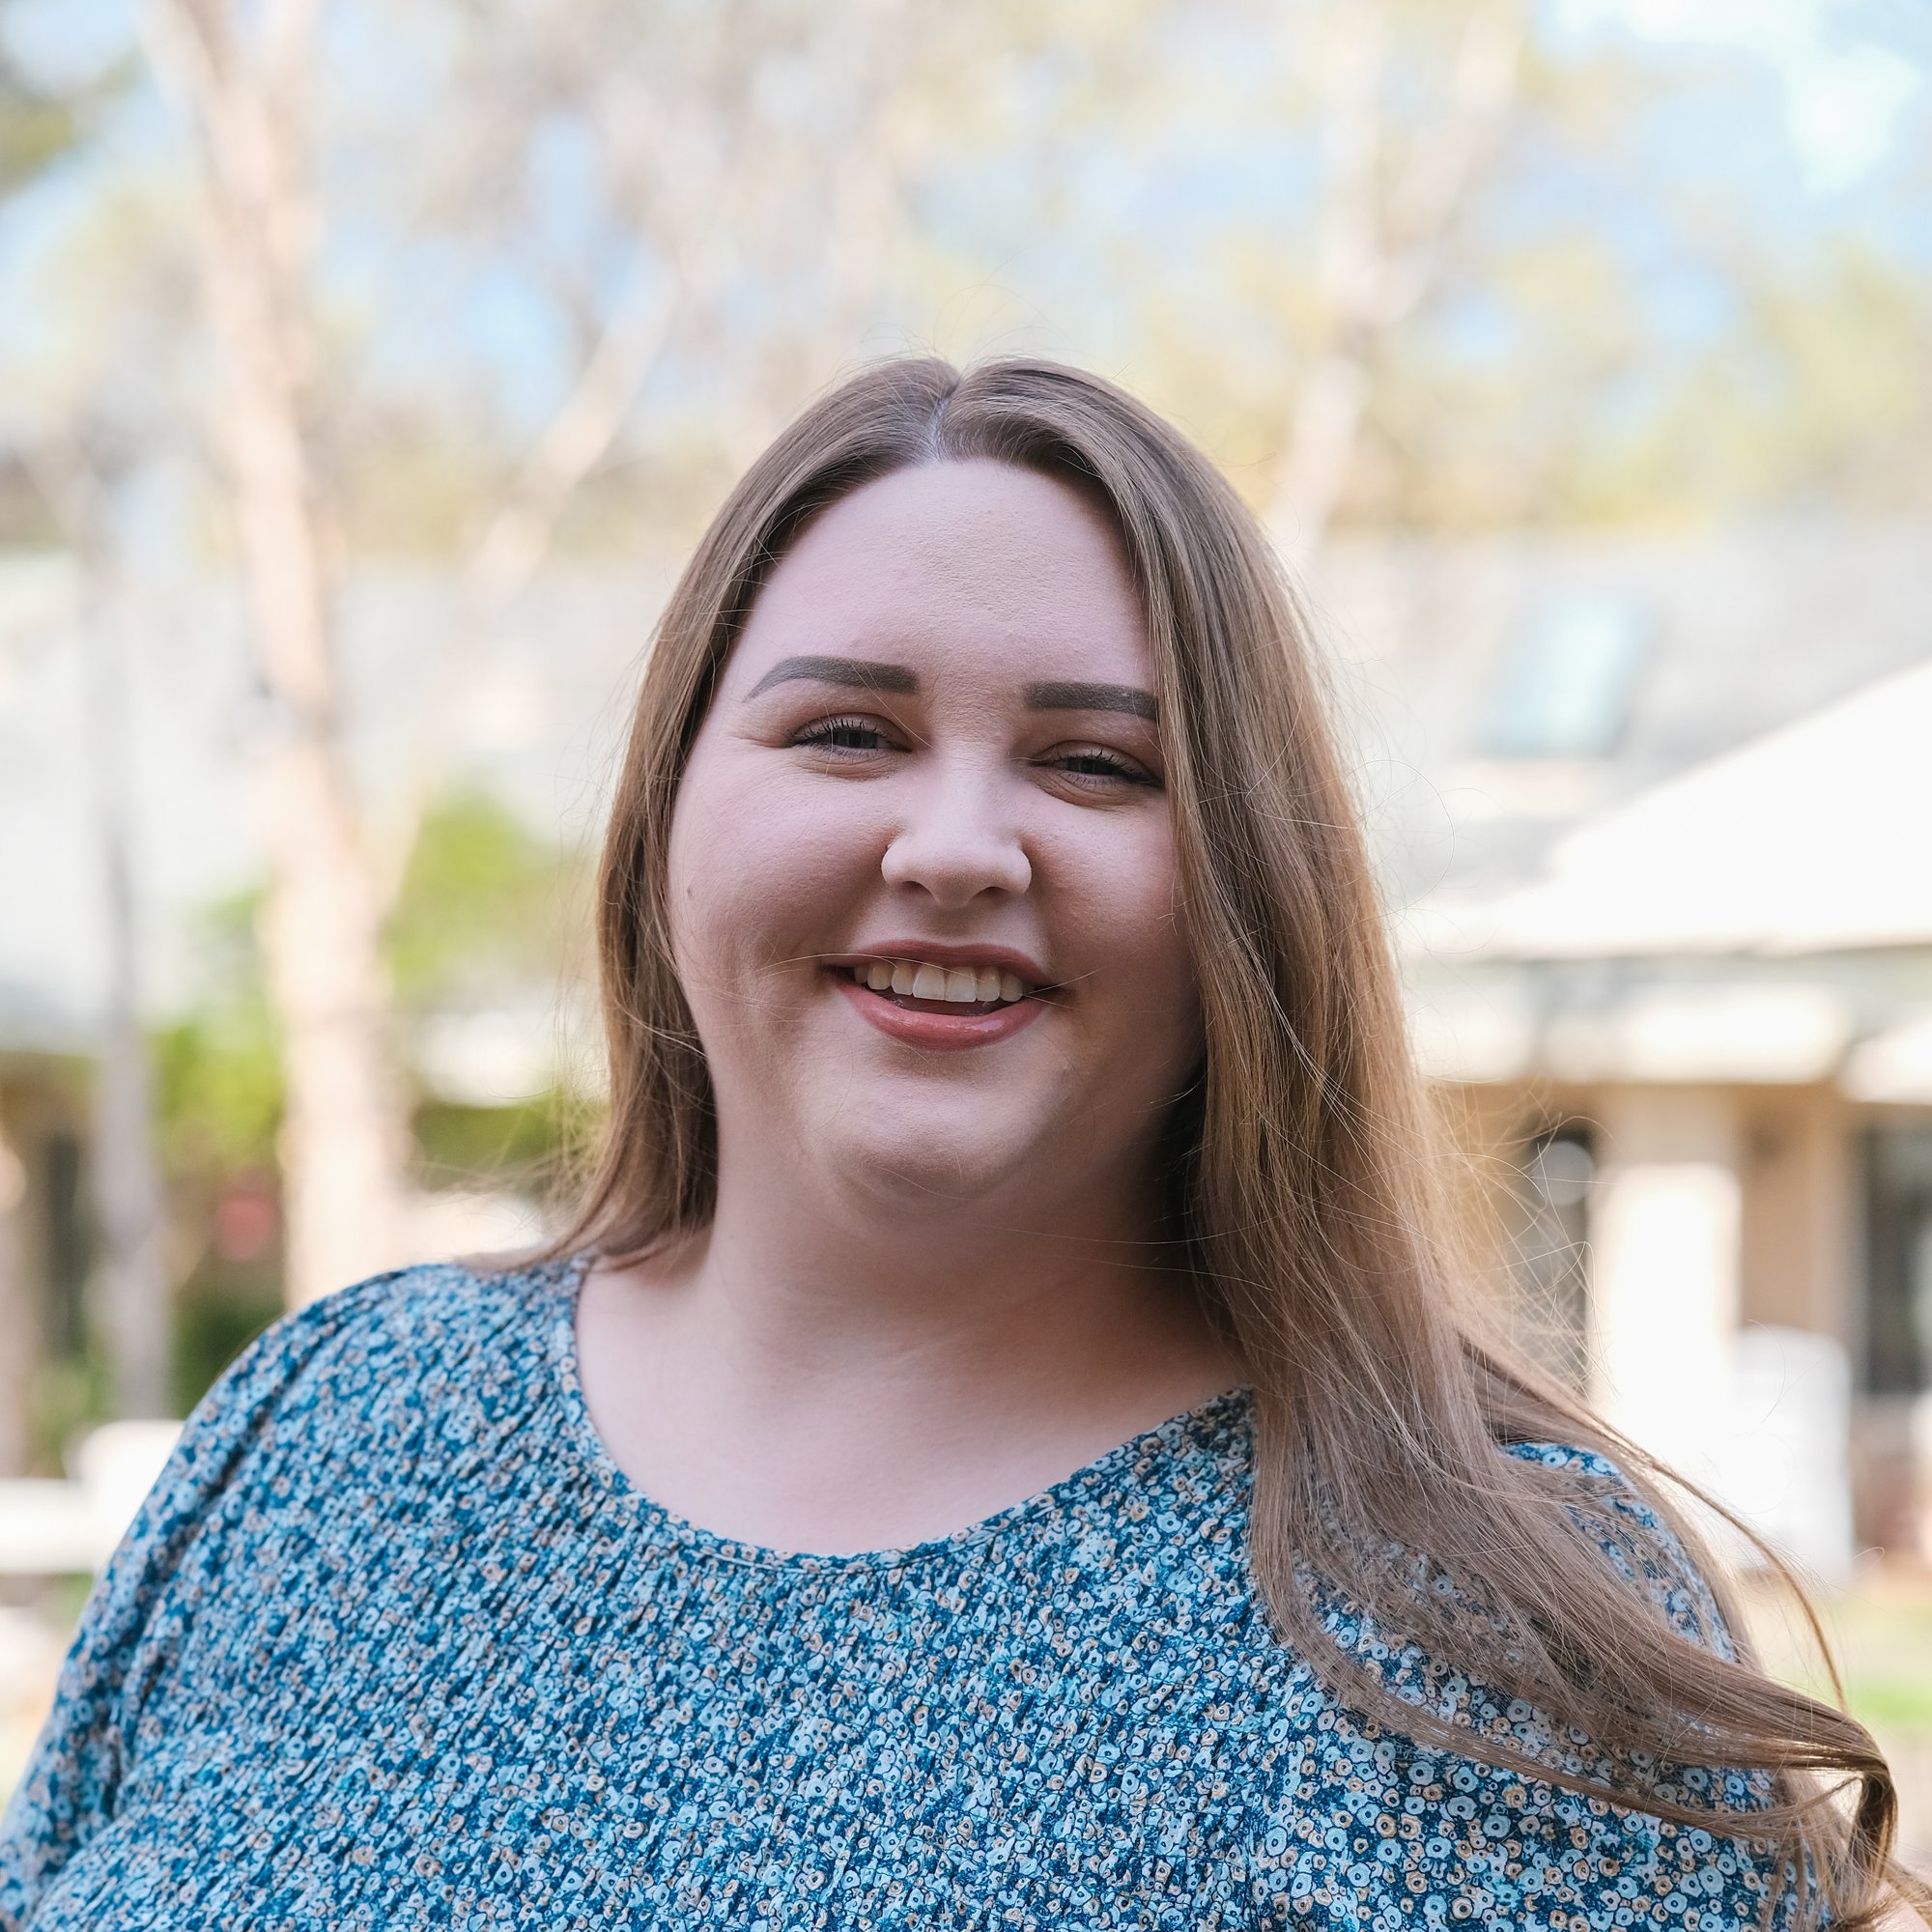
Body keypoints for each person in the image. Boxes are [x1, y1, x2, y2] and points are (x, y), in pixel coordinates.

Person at [0, 357, 1918, 1931]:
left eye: (1094, 762)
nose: (953, 844)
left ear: (1249, 892)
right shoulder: (335, 1426)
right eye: (846, 731)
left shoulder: (1491, 1645)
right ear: (669, 823)